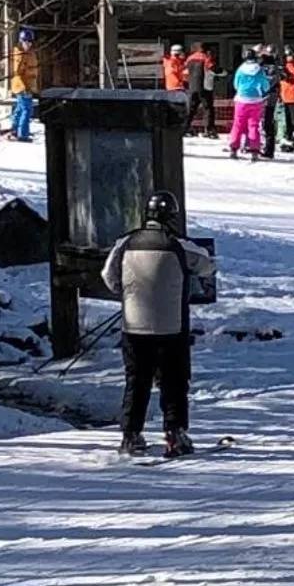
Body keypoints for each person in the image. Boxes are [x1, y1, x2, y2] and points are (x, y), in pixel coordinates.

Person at [101, 189, 215, 458]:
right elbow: (207, 265)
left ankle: (130, 436)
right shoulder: (179, 245)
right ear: (171, 217)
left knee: (136, 380)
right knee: (174, 380)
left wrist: (126, 292)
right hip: (171, 325)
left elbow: (108, 275)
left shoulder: (126, 242)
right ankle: (175, 434)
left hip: (134, 324)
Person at [228, 48, 270, 159]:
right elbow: (265, 85)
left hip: (241, 99)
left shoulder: (240, 70)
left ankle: (233, 148)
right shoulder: (259, 70)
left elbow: (235, 85)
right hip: (256, 100)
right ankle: (254, 150)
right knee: (254, 126)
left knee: (238, 124)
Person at [8, 27, 40, 141]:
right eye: (26, 41)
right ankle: (23, 133)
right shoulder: (20, 55)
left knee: (20, 108)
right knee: (27, 109)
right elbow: (18, 73)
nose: (29, 44)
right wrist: (25, 87)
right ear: (21, 41)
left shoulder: (30, 53)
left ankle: (15, 129)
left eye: (30, 41)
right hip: (22, 86)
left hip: (29, 85)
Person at [184, 44, 217, 137]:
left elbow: (185, 72)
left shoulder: (189, 59)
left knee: (191, 109)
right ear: (205, 50)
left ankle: (185, 128)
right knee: (208, 108)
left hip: (192, 87)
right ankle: (209, 130)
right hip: (204, 87)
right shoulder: (206, 58)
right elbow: (211, 68)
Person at [257, 46, 282, 159]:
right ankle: (260, 145)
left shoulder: (272, 67)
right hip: (261, 97)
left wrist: (262, 89)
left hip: (268, 98)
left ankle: (269, 148)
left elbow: (271, 81)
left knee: (267, 122)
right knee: (262, 123)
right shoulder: (263, 67)